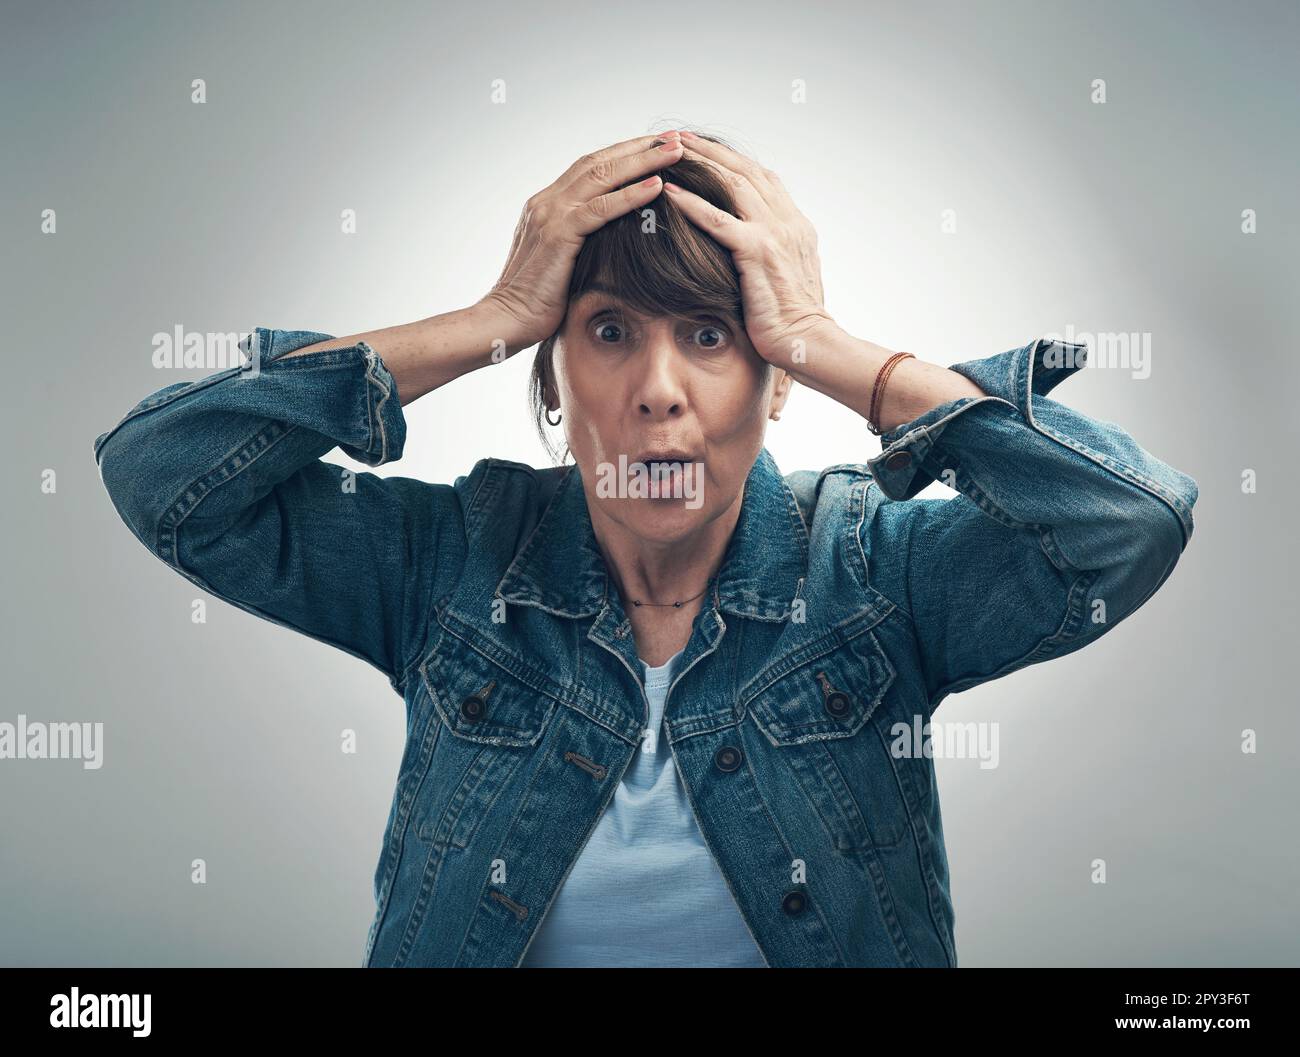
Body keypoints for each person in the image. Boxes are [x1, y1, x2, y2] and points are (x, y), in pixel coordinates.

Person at [94, 129, 1199, 967]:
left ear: (774, 391)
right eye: (608, 332)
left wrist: (828, 343)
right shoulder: (450, 564)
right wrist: (498, 309)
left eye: (712, 337)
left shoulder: (872, 571)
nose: (659, 393)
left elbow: (1126, 522)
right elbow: (164, 476)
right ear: (553, 378)